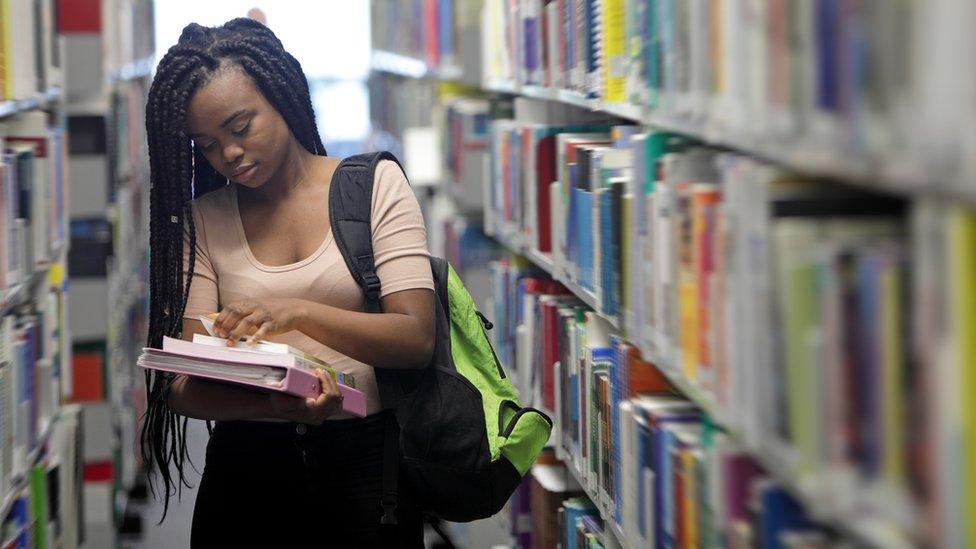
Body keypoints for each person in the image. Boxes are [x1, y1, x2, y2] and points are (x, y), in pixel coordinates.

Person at [142, 18, 435, 547]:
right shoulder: (202, 220)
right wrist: (272, 406)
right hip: (246, 470)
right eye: (206, 144)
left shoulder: (373, 186)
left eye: (240, 127)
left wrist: (297, 312)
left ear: (282, 95)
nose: (227, 154)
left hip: (369, 468)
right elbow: (181, 385)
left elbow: (415, 338)